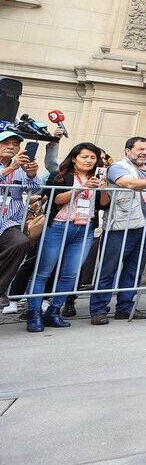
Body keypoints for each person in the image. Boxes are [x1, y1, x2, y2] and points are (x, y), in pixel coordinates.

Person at [26, 142, 111, 331]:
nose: (89, 160)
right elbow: (55, 199)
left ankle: (54, 311)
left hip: (84, 230)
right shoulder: (61, 176)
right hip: (57, 227)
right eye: (85, 156)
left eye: (93, 157)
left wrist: (104, 188)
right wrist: (81, 188)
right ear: (74, 158)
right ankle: (34, 313)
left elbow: (104, 205)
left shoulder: (97, 178)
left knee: (70, 274)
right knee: (43, 272)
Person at [89, 137, 146, 324]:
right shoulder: (118, 167)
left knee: (135, 269)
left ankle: (126, 307)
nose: (144, 152)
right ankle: (98, 309)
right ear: (128, 151)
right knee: (108, 268)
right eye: (140, 149)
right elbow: (128, 183)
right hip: (120, 226)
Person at [0, 130, 43, 313]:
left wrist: (32, 174)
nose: (11, 147)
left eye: (15, 144)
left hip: (8, 222)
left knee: (20, 242)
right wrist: (10, 169)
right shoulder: (13, 168)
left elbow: (35, 190)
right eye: (6, 143)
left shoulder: (20, 168)